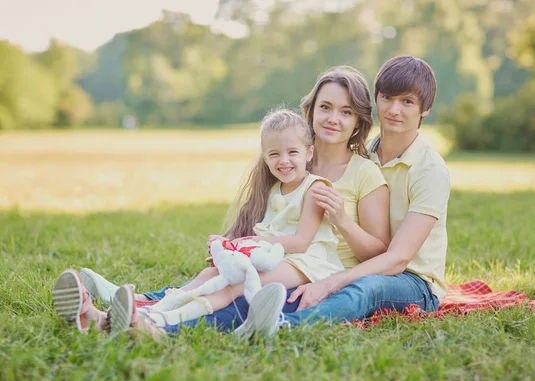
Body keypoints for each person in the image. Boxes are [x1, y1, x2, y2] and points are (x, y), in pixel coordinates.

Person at [53, 67, 391, 335]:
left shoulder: (361, 173)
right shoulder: (291, 161)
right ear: (311, 111)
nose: (333, 118)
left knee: (237, 294)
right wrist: (230, 245)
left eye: (346, 111)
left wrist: (342, 223)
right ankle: (115, 313)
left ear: (359, 119)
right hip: (273, 257)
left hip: (315, 272)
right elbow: (261, 215)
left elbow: (377, 251)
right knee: (213, 275)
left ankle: (150, 322)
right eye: (326, 107)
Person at [234, 55, 451, 338]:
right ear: (376, 101)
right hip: (360, 264)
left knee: (365, 288)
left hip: (413, 280)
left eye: (407, 102)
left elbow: (397, 259)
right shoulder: (365, 155)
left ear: (426, 109)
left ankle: (282, 326)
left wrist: (333, 281)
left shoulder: (430, 170)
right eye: (387, 98)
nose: (394, 110)